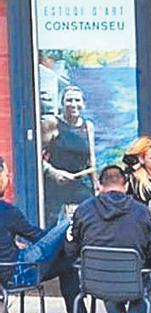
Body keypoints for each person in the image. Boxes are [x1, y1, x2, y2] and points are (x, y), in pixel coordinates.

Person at [0, 156, 108, 313]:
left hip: (8, 270)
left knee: (67, 264)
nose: (9, 177)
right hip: (17, 272)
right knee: (68, 222)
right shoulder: (6, 211)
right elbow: (38, 237)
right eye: (6, 172)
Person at [64, 166, 151, 313]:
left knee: (110, 277)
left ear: (99, 185)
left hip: (96, 281)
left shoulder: (84, 210)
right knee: (144, 278)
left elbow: (71, 250)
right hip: (131, 279)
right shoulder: (141, 212)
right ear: (125, 186)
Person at [41, 86, 96, 229]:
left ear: (83, 104)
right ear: (62, 103)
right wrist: (54, 173)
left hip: (78, 184)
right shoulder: (51, 123)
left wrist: (96, 187)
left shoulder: (87, 126)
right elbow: (35, 157)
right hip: (55, 185)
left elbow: (91, 160)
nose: (73, 104)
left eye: (77, 100)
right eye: (69, 100)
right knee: (52, 228)